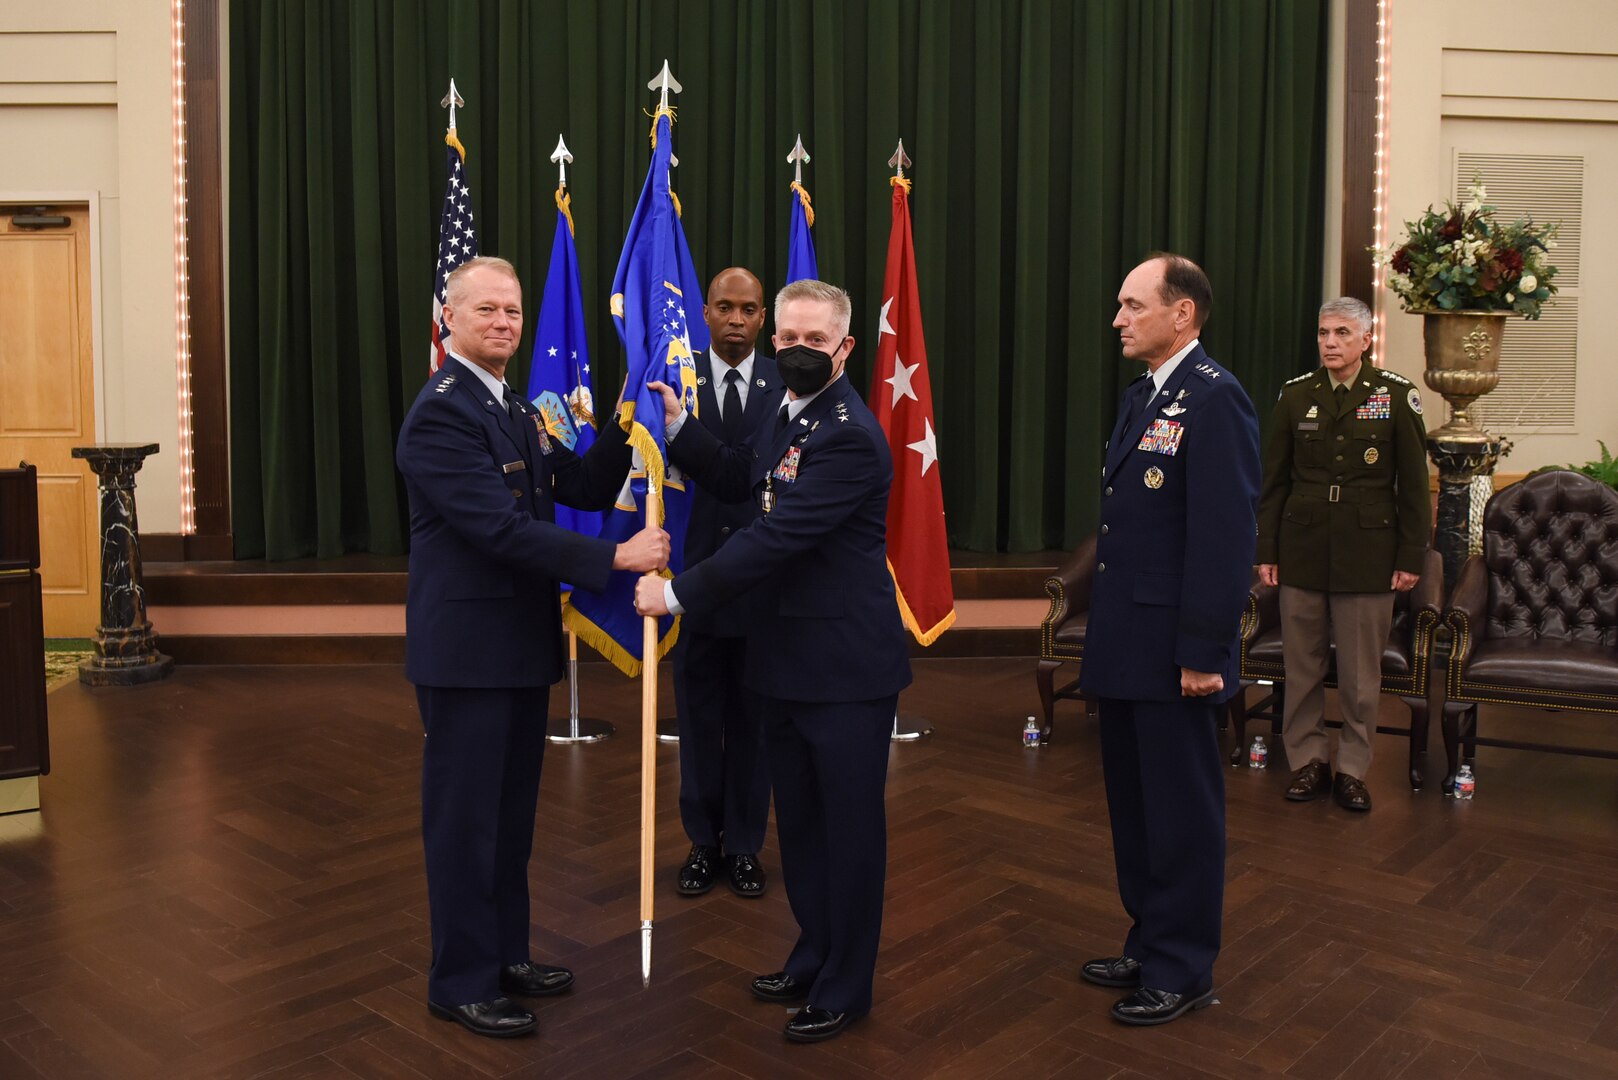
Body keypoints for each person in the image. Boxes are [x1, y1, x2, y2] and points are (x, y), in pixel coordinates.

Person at [395, 256, 669, 1039]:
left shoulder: (512, 406)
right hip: (468, 656)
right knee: (464, 824)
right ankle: (460, 980)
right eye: (486, 311)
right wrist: (614, 559)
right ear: (447, 320)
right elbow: (497, 529)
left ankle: (505, 956)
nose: (505, 324)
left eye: (513, 312)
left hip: (515, 649)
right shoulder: (443, 413)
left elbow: (578, 485)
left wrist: (627, 424)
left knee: (508, 823)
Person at [634, 279, 910, 1043]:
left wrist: (677, 595)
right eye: (786, 337)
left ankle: (846, 986)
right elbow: (735, 480)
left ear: (845, 348)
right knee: (807, 828)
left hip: (844, 672)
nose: (795, 350)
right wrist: (682, 425)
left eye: (813, 341)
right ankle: (814, 951)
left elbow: (777, 539)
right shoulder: (789, 417)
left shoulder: (849, 433)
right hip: (784, 661)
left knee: (848, 834)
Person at [1079, 253, 1261, 1027]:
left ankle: (1184, 967)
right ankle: (1150, 940)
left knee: (1182, 815)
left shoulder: (1216, 401)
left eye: (1132, 304)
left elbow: (1224, 540)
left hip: (1174, 652)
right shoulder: (1142, 397)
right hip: (1127, 641)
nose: (1118, 318)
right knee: (1137, 808)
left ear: (1181, 312)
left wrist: (1201, 652)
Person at [1256, 297, 1431, 813]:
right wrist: (1266, 547)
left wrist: (1410, 556)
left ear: (1365, 339)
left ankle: (1353, 769)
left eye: (1340, 334)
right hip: (1302, 547)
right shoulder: (1295, 396)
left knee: (1359, 674)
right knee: (1301, 666)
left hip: (1369, 551)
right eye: (1323, 333)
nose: (1329, 343)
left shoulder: (1396, 396)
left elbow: (1415, 488)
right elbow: (1274, 481)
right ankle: (1308, 760)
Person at [671, 267, 785, 900]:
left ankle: (743, 845)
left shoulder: (782, 385)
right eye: (724, 308)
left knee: (753, 725)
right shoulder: (674, 380)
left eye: (748, 309)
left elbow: (748, 475)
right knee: (698, 722)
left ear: (763, 318)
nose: (736, 320)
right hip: (695, 583)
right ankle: (701, 841)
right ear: (705, 313)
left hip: (760, 586)